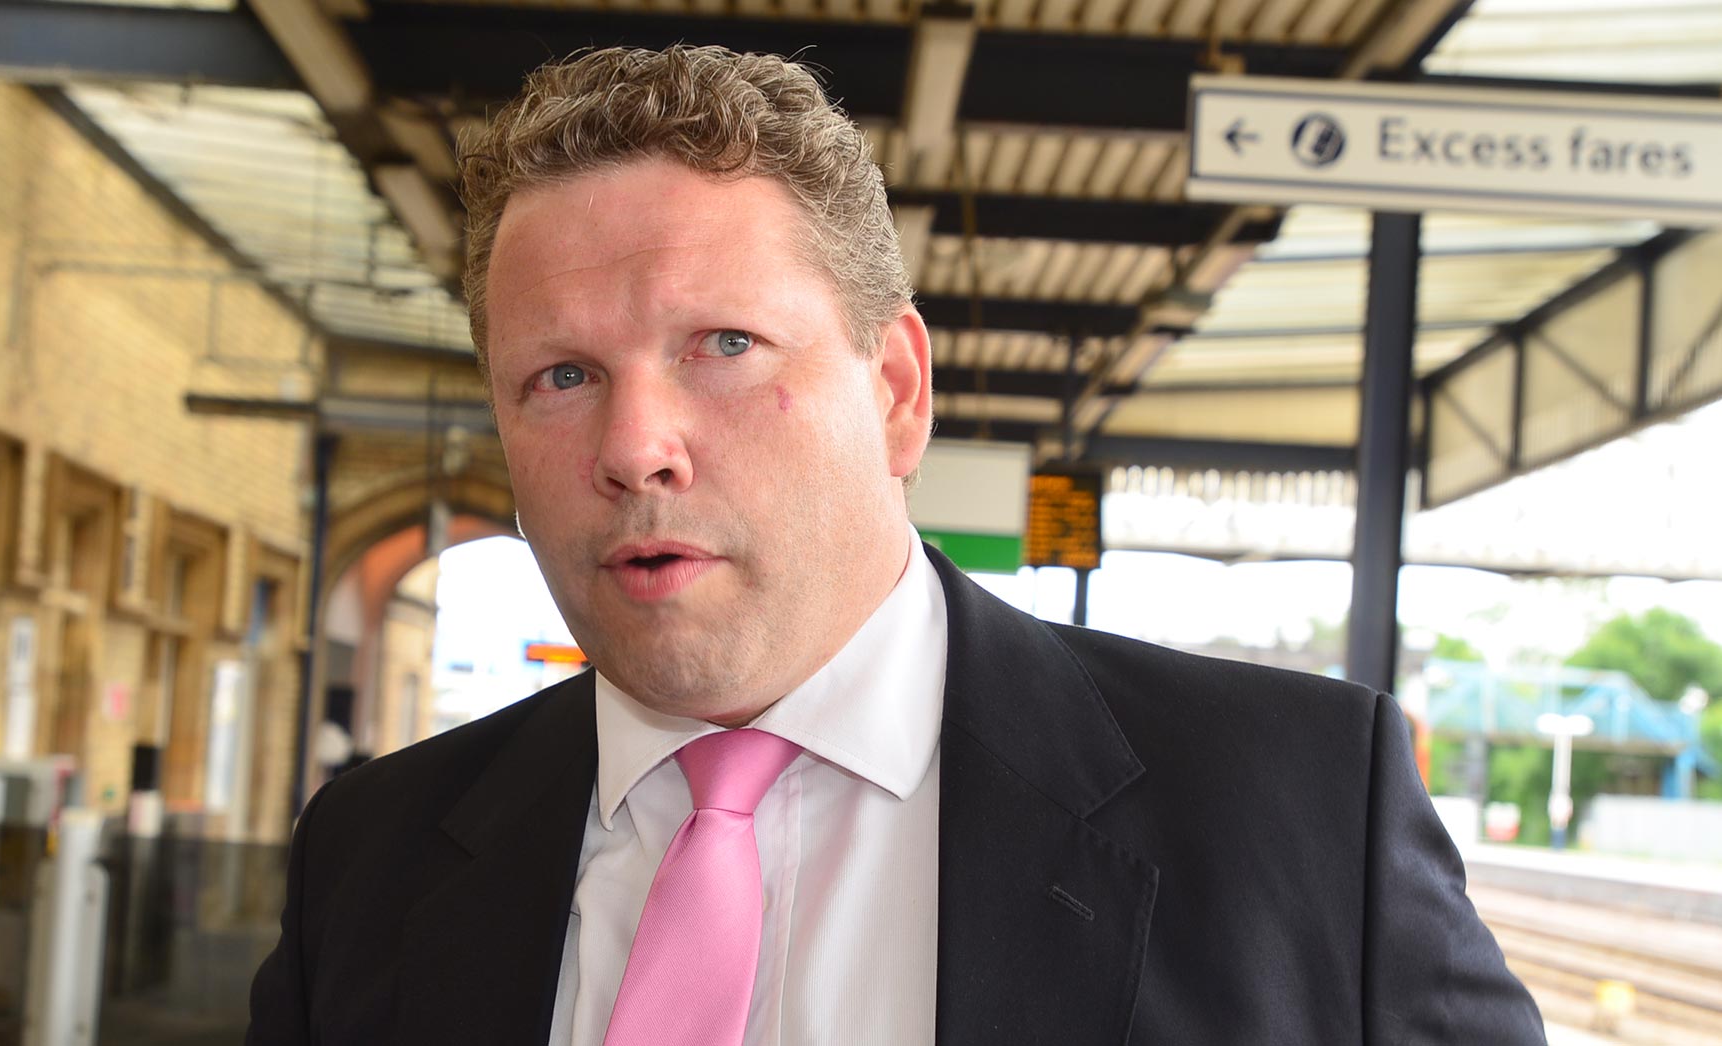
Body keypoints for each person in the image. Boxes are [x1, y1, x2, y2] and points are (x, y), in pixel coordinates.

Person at [247, 45, 1545, 1045]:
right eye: (561, 374)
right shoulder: (371, 860)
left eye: (725, 345)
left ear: (899, 390)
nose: (636, 445)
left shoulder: (1301, 817)